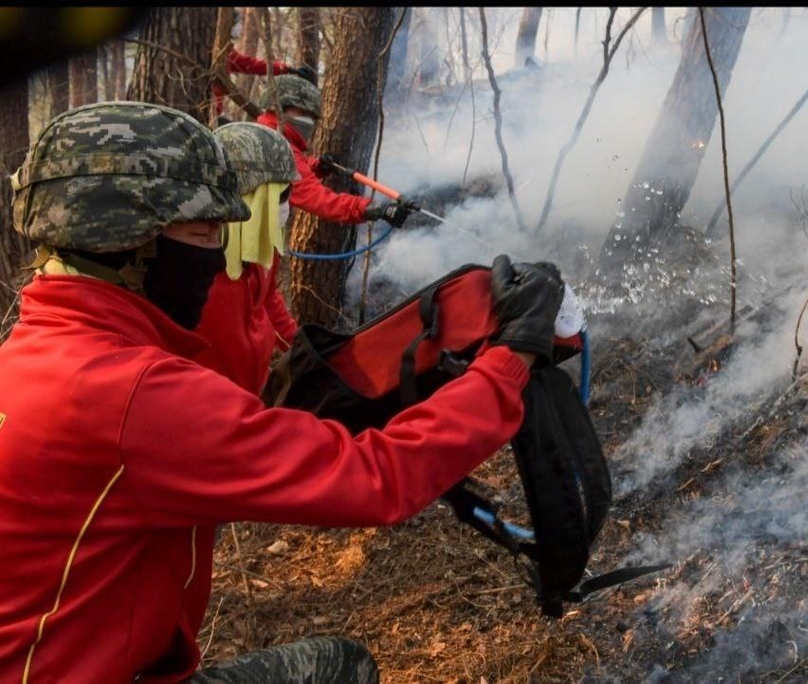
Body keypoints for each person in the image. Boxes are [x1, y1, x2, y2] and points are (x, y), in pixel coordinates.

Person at [0, 101, 564, 683]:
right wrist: (511, 357)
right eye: (202, 232)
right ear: (125, 243)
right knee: (341, 669)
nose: (218, 254)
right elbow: (377, 480)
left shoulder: (32, 353)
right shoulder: (133, 393)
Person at [196, 122, 301, 392]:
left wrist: (299, 345)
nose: (286, 205)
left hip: (253, 387)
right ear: (246, 195)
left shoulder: (263, 243)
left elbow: (266, 299)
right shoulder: (192, 266)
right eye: (280, 194)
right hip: (210, 399)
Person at [255, 74, 413, 230]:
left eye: (312, 117)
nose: (308, 122)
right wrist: (374, 209)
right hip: (248, 249)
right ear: (279, 107)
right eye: (303, 113)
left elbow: (289, 171)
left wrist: (317, 166)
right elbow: (316, 198)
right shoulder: (278, 149)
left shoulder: (263, 137)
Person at [212, 46, 316, 122]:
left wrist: (288, 69)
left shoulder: (225, 53)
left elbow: (252, 65)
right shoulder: (213, 50)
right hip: (208, 114)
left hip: (214, 116)